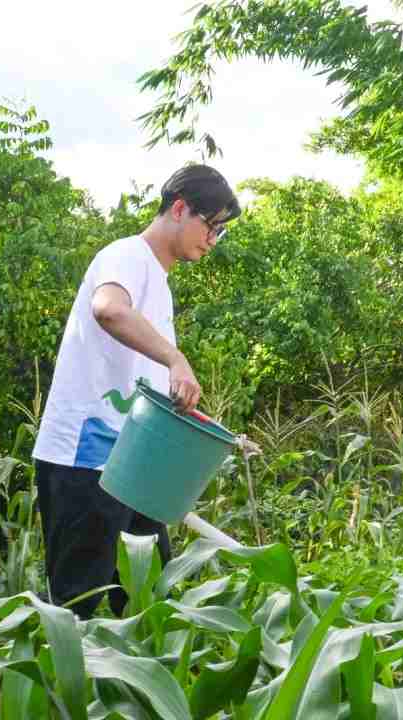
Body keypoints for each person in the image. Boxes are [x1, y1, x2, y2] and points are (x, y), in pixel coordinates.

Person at [31, 164, 240, 618]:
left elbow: (143, 391)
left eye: (221, 233)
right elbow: (107, 308)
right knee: (74, 609)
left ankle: (135, 689)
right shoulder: (126, 255)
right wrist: (175, 359)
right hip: (84, 462)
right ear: (180, 209)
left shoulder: (159, 288)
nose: (212, 240)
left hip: (133, 469)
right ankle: (52, 688)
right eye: (212, 226)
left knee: (147, 603)